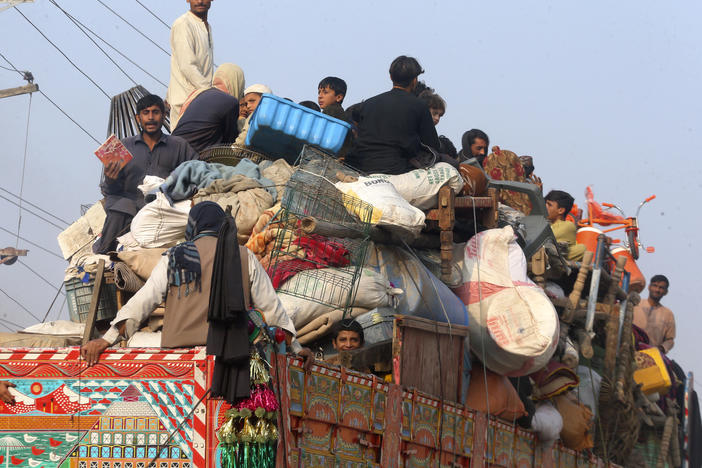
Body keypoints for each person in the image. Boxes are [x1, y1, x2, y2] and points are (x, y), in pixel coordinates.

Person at [82, 202, 312, 366]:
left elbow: (145, 300)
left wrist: (107, 339)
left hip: (178, 364)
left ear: (192, 227)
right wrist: (297, 349)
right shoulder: (244, 256)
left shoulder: (175, 256)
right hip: (230, 361)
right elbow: (272, 309)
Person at [93, 95, 198, 254]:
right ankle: (104, 251)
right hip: (128, 206)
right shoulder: (123, 146)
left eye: (155, 112)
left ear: (163, 116)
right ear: (138, 118)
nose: (150, 117)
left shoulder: (179, 146)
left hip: (163, 206)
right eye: (146, 112)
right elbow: (110, 191)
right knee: (119, 208)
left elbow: (196, 171)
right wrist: (110, 178)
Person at [345, 55, 440, 175]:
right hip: (397, 170)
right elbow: (432, 145)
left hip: (363, 166)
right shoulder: (419, 106)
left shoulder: (367, 104)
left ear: (391, 77)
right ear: (414, 80)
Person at [172, 63, 245, 154]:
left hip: (172, 149)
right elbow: (230, 144)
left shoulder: (198, 94)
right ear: (237, 83)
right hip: (193, 158)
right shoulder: (231, 102)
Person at [166, 0, 214, 128]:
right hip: (185, 102)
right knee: (184, 146)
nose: (200, 1)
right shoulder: (183, 24)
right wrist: (211, 93)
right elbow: (187, 65)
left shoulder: (206, 27)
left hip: (200, 100)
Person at [633, 275, 675, 354]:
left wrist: (661, 348)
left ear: (666, 292)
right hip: (629, 348)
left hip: (651, 355)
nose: (657, 290)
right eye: (655, 286)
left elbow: (670, 340)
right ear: (649, 287)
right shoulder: (635, 304)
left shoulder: (668, 314)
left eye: (661, 288)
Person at [544, 190, 586, 261]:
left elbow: (546, 237)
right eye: (545, 203)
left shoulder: (568, 225)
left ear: (560, 210)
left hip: (550, 259)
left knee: (582, 248)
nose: (545, 206)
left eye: (549, 205)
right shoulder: (545, 223)